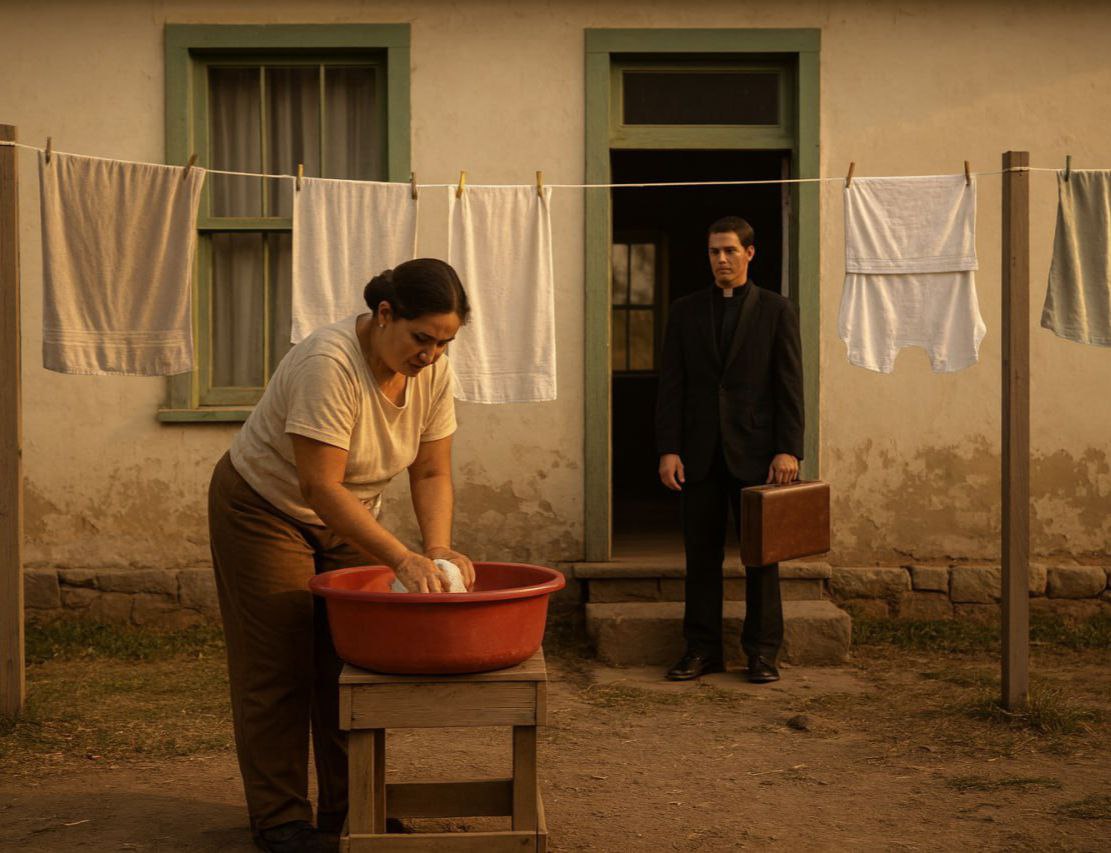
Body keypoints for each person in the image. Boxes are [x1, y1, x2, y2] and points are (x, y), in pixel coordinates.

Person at [208, 258, 475, 853]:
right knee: (280, 664)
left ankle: (351, 810)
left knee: (351, 664)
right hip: (264, 508)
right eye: (422, 338)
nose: (431, 354)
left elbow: (432, 471)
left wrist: (436, 546)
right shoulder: (328, 363)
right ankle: (281, 822)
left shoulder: (433, 372)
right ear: (384, 314)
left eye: (445, 342)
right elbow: (319, 486)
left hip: (348, 516)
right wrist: (402, 559)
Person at [655, 217, 804, 684]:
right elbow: (672, 385)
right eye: (714, 251)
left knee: (762, 557)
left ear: (749, 253)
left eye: (730, 251)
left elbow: (789, 385)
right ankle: (701, 651)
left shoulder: (776, 310)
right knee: (701, 558)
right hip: (698, 455)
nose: (721, 259)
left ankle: (762, 654)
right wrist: (669, 448)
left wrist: (788, 449)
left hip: (758, 455)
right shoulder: (685, 312)